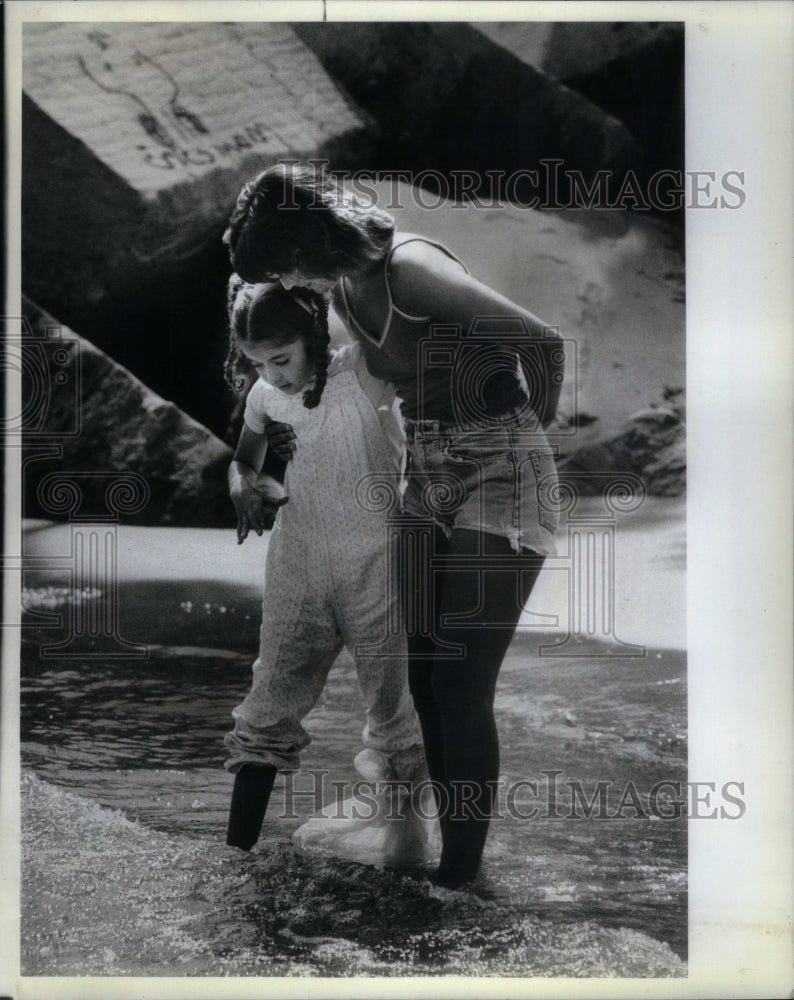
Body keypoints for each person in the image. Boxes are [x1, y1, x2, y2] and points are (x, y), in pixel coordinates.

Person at [224, 163, 563, 888]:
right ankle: (442, 864)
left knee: (464, 681)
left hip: (498, 464)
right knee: (428, 678)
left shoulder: (410, 267)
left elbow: (544, 341)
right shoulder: (344, 285)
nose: (286, 281)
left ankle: (458, 877)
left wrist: (532, 430)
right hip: (427, 470)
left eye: (284, 263)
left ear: (310, 239)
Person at [222, 276, 425, 852]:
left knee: (395, 711)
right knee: (267, 704)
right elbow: (243, 460)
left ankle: (410, 854)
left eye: (281, 359)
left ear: (313, 336)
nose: (272, 376)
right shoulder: (265, 397)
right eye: (257, 363)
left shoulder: (362, 372)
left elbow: (406, 333)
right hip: (298, 566)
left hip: (378, 566)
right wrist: (244, 487)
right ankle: (236, 856)